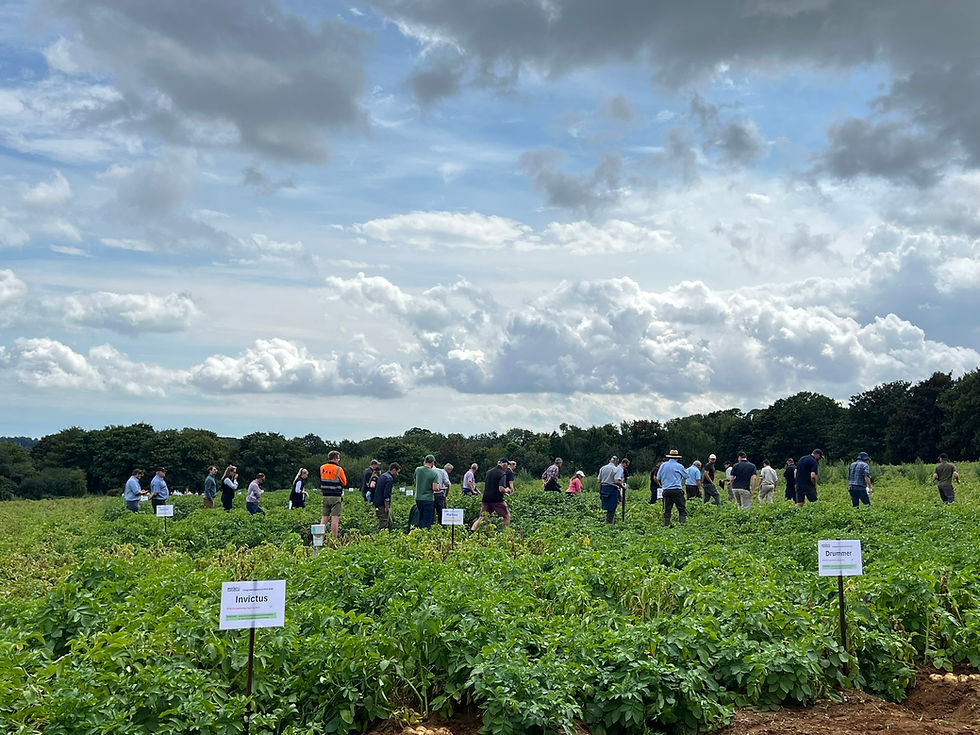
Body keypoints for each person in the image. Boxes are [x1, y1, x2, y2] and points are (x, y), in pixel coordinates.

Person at [471, 458, 511, 531]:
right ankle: (505, 534)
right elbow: (501, 489)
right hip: (496, 499)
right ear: (504, 464)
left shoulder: (489, 472)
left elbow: (492, 486)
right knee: (506, 516)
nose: (508, 467)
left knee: (482, 517)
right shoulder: (502, 473)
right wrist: (507, 490)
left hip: (486, 498)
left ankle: (472, 530)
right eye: (507, 465)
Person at [320, 450, 347, 539]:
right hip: (335, 496)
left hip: (325, 496)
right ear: (335, 458)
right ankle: (334, 539)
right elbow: (344, 482)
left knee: (324, 518)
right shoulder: (339, 469)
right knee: (335, 519)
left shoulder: (322, 467)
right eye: (338, 458)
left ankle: (320, 538)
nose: (339, 460)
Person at [656, 450, 687, 526]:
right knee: (681, 508)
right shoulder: (679, 466)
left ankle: (666, 524)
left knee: (667, 509)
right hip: (676, 490)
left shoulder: (663, 465)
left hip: (666, 490)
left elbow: (658, 477)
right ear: (677, 458)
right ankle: (682, 524)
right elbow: (686, 475)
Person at [413, 454, 440, 529]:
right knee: (427, 519)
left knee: (421, 517)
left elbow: (415, 482)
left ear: (425, 461)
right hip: (428, 499)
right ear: (433, 463)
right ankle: (424, 533)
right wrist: (438, 488)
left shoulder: (418, 469)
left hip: (418, 497)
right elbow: (434, 488)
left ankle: (418, 532)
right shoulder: (434, 473)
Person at [373, 462, 401, 531]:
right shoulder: (389, 479)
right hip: (382, 505)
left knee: (389, 523)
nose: (397, 474)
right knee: (384, 524)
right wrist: (386, 506)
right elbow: (386, 495)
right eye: (397, 472)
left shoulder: (383, 476)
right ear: (394, 470)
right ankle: (380, 538)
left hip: (377, 502)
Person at [597, 456, 624, 524]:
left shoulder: (602, 468)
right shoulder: (616, 469)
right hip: (612, 489)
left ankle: (610, 521)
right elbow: (616, 481)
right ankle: (609, 523)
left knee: (608, 507)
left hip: (604, 488)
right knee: (612, 507)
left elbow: (599, 481)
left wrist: (600, 492)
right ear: (616, 462)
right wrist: (623, 487)